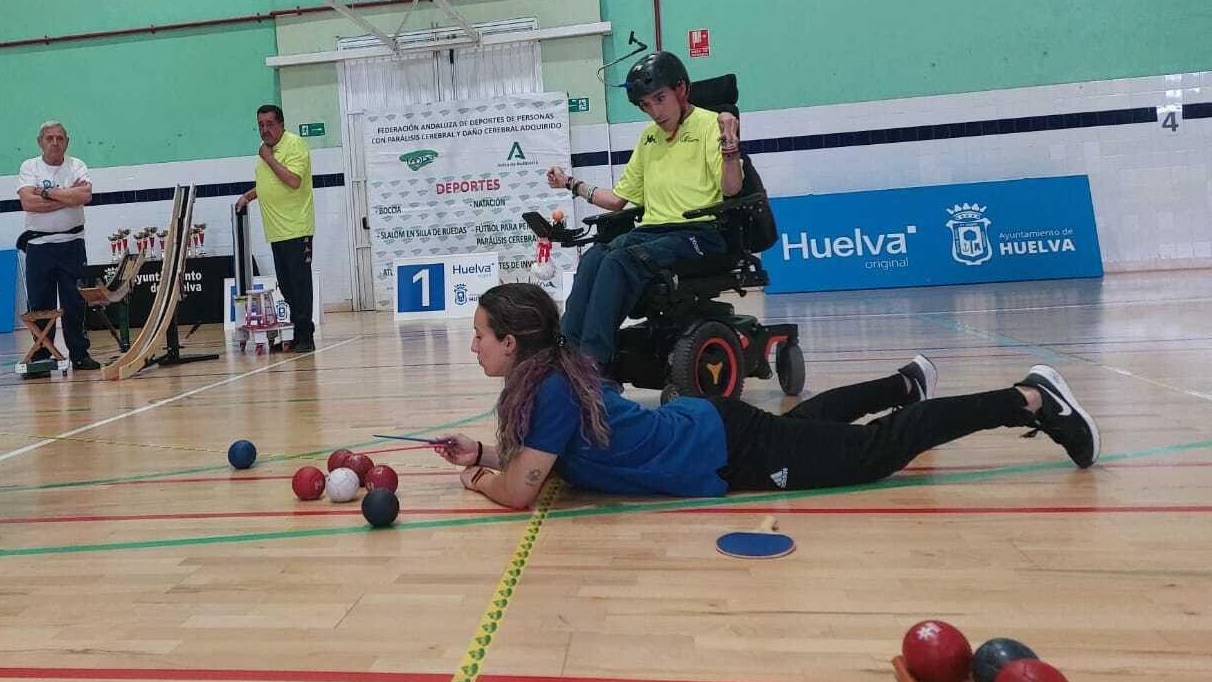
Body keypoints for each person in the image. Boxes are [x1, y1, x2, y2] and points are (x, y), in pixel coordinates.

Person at [433, 283, 1100, 509]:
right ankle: (903, 384)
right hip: (712, 430)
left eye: (480, 336)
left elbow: (520, 492)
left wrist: (479, 479)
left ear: (513, 343)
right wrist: (485, 451)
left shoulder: (548, 388)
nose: (473, 346)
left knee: (875, 451)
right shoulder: (546, 375)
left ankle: (1029, 400)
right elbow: (547, 455)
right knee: (804, 426)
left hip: (726, 449)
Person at [544, 51, 743, 369]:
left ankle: (593, 363)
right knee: (595, 257)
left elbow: (732, 189)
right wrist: (570, 183)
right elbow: (617, 201)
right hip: (652, 232)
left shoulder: (711, 124)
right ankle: (564, 354)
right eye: (645, 105)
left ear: (681, 90)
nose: (655, 111)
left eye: (660, 99)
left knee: (619, 261)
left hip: (699, 232)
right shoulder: (649, 138)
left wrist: (729, 143)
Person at [16, 120, 99, 372]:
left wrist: (44, 193)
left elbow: (85, 196)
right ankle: (42, 356)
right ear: (40, 142)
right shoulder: (29, 167)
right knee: (41, 303)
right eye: (49, 138)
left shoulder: (77, 165)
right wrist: (67, 197)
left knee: (75, 301)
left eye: (60, 138)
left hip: (72, 244)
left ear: (67, 142)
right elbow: (28, 203)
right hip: (39, 245)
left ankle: (79, 354)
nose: (55, 142)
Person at [233, 104, 315, 352]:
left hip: (296, 228)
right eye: (260, 125)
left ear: (281, 124)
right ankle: (295, 333)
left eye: (269, 124)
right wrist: (248, 196)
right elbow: (269, 185)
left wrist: (268, 158)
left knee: (299, 285)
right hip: (276, 230)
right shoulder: (266, 151)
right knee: (287, 286)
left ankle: (305, 336)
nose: (265, 130)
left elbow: (293, 180)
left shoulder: (294, 145)